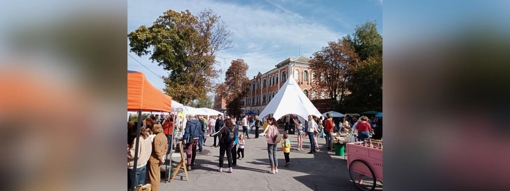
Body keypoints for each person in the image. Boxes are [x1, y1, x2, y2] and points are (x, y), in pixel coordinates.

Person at [128, 122, 151, 189]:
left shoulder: (137, 139)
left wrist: (127, 150)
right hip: (143, 163)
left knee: (134, 187)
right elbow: (148, 150)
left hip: (135, 166)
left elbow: (133, 155)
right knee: (141, 186)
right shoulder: (145, 137)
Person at [147, 123, 168, 191]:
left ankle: (154, 189)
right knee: (157, 175)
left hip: (154, 158)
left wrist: (160, 157)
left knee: (153, 177)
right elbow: (166, 147)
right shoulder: (164, 136)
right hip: (160, 158)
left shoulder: (157, 137)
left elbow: (156, 150)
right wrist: (163, 156)